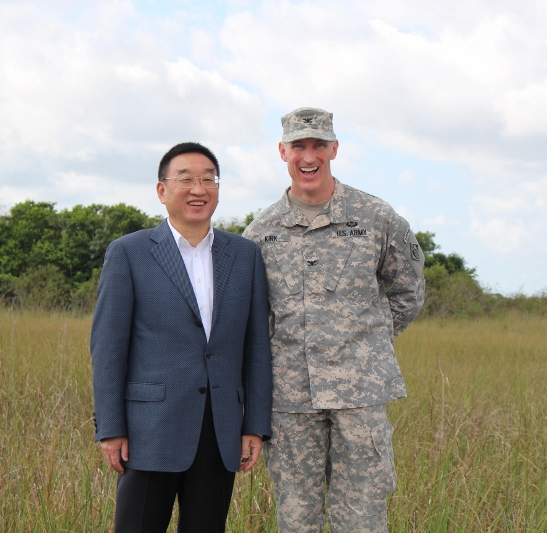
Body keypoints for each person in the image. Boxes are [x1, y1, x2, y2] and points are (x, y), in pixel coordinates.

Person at [242, 108, 425, 533]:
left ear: (335, 149)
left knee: (362, 521)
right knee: (296, 521)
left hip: (359, 397)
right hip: (290, 403)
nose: (309, 157)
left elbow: (408, 292)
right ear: (282, 151)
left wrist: (365, 342)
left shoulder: (376, 218)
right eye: (299, 146)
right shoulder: (262, 231)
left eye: (319, 145)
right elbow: (254, 318)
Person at [91, 142, 273, 533]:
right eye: (186, 179)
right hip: (148, 430)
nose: (199, 189)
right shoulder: (130, 252)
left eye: (209, 179)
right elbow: (108, 349)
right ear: (161, 191)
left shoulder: (244, 255)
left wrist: (254, 424)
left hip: (221, 429)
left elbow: (256, 347)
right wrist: (111, 427)